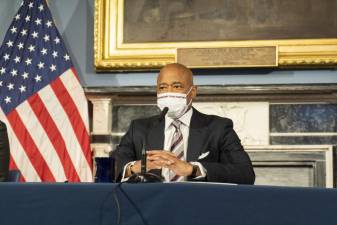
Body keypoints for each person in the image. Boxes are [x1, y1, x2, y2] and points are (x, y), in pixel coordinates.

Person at [115, 63, 255, 184]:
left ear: (192, 92)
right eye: (162, 87)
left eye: (177, 86)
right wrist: (134, 168)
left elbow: (245, 174)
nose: (168, 93)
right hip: (150, 206)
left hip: (196, 207)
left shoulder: (218, 128)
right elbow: (111, 167)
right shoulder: (140, 128)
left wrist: (192, 169)